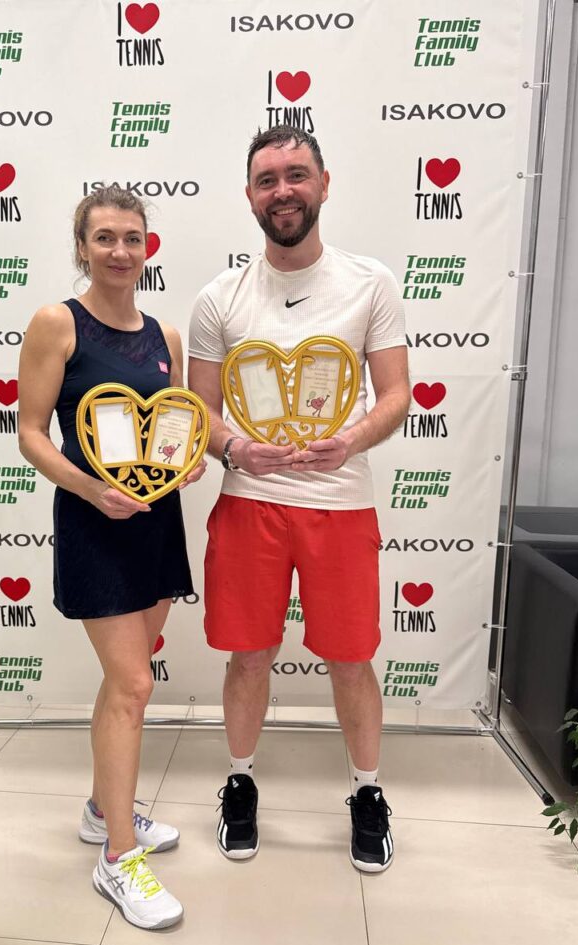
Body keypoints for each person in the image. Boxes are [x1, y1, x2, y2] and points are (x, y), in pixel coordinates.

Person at [188, 127, 410, 872]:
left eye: (296, 174)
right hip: (249, 501)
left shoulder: (370, 283)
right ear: (250, 196)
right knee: (249, 657)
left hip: (340, 505)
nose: (282, 190)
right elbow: (201, 412)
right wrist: (233, 449)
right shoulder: (219, 298)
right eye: (267, 179)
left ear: (323, 183)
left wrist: (351, 441)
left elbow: (396, 395)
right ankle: (240, 783)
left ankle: (368, 793)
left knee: (350, 659)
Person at [18, 186, 205, 929]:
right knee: (133, 684)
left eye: (132, 237)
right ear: (82, 247)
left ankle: (104, 809)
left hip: (155, 523)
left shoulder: (166, 333)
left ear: (147, 247)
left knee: (126, 681)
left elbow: (172, 424)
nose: (120, 251)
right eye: (105, 238)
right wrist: (91, 490)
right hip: (95, 522)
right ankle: (118, 858)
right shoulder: (56, 323)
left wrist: (186, 462)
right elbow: (32, 433)